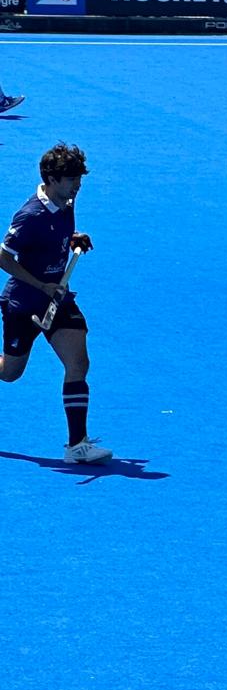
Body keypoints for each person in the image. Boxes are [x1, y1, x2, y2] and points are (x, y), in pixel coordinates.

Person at [0, 143, 111, 465]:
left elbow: (56, 236)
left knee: (78, 363)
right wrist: (40, 285)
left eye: (79, 178)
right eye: (71, 179)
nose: (77, 185)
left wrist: (72, 238)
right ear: (51, 179)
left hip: (57, 300)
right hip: (24, 304)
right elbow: (3, 257)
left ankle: (77, 446)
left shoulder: (66, 202)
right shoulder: (30, 215)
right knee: (10, 372)